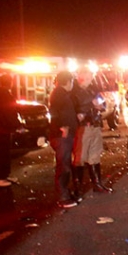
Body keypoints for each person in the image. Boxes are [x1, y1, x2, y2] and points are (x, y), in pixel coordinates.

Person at [72, 70, 112, 195]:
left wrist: (101, 106)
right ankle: (78, 187)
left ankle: (97, 184)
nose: (91, 79)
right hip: (83, 127)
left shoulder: (92, 90)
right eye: (89, 77)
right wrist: (91, 105)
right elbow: (73, 109)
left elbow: (102, 103)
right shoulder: (74, 92)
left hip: (95, 125)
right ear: (81, 77)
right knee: (80, 157)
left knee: (94, 156)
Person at [48, 71, 80, 205]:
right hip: (62, 136)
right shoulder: (59, 94)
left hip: (65, 135)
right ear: (68, 81)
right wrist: (62, 126)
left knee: (66, 164)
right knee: (63, 165)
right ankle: (63, 197)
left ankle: (66, 193)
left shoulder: (61, 93)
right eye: (72, 81)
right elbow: (53, 112)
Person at [0, 74, 20, 187]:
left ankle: (4, 175)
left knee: (4, 152)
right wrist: (18, 125)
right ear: (10, 82)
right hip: (3, 129)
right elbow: (10, 113)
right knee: (4, 153)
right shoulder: (6, 95)